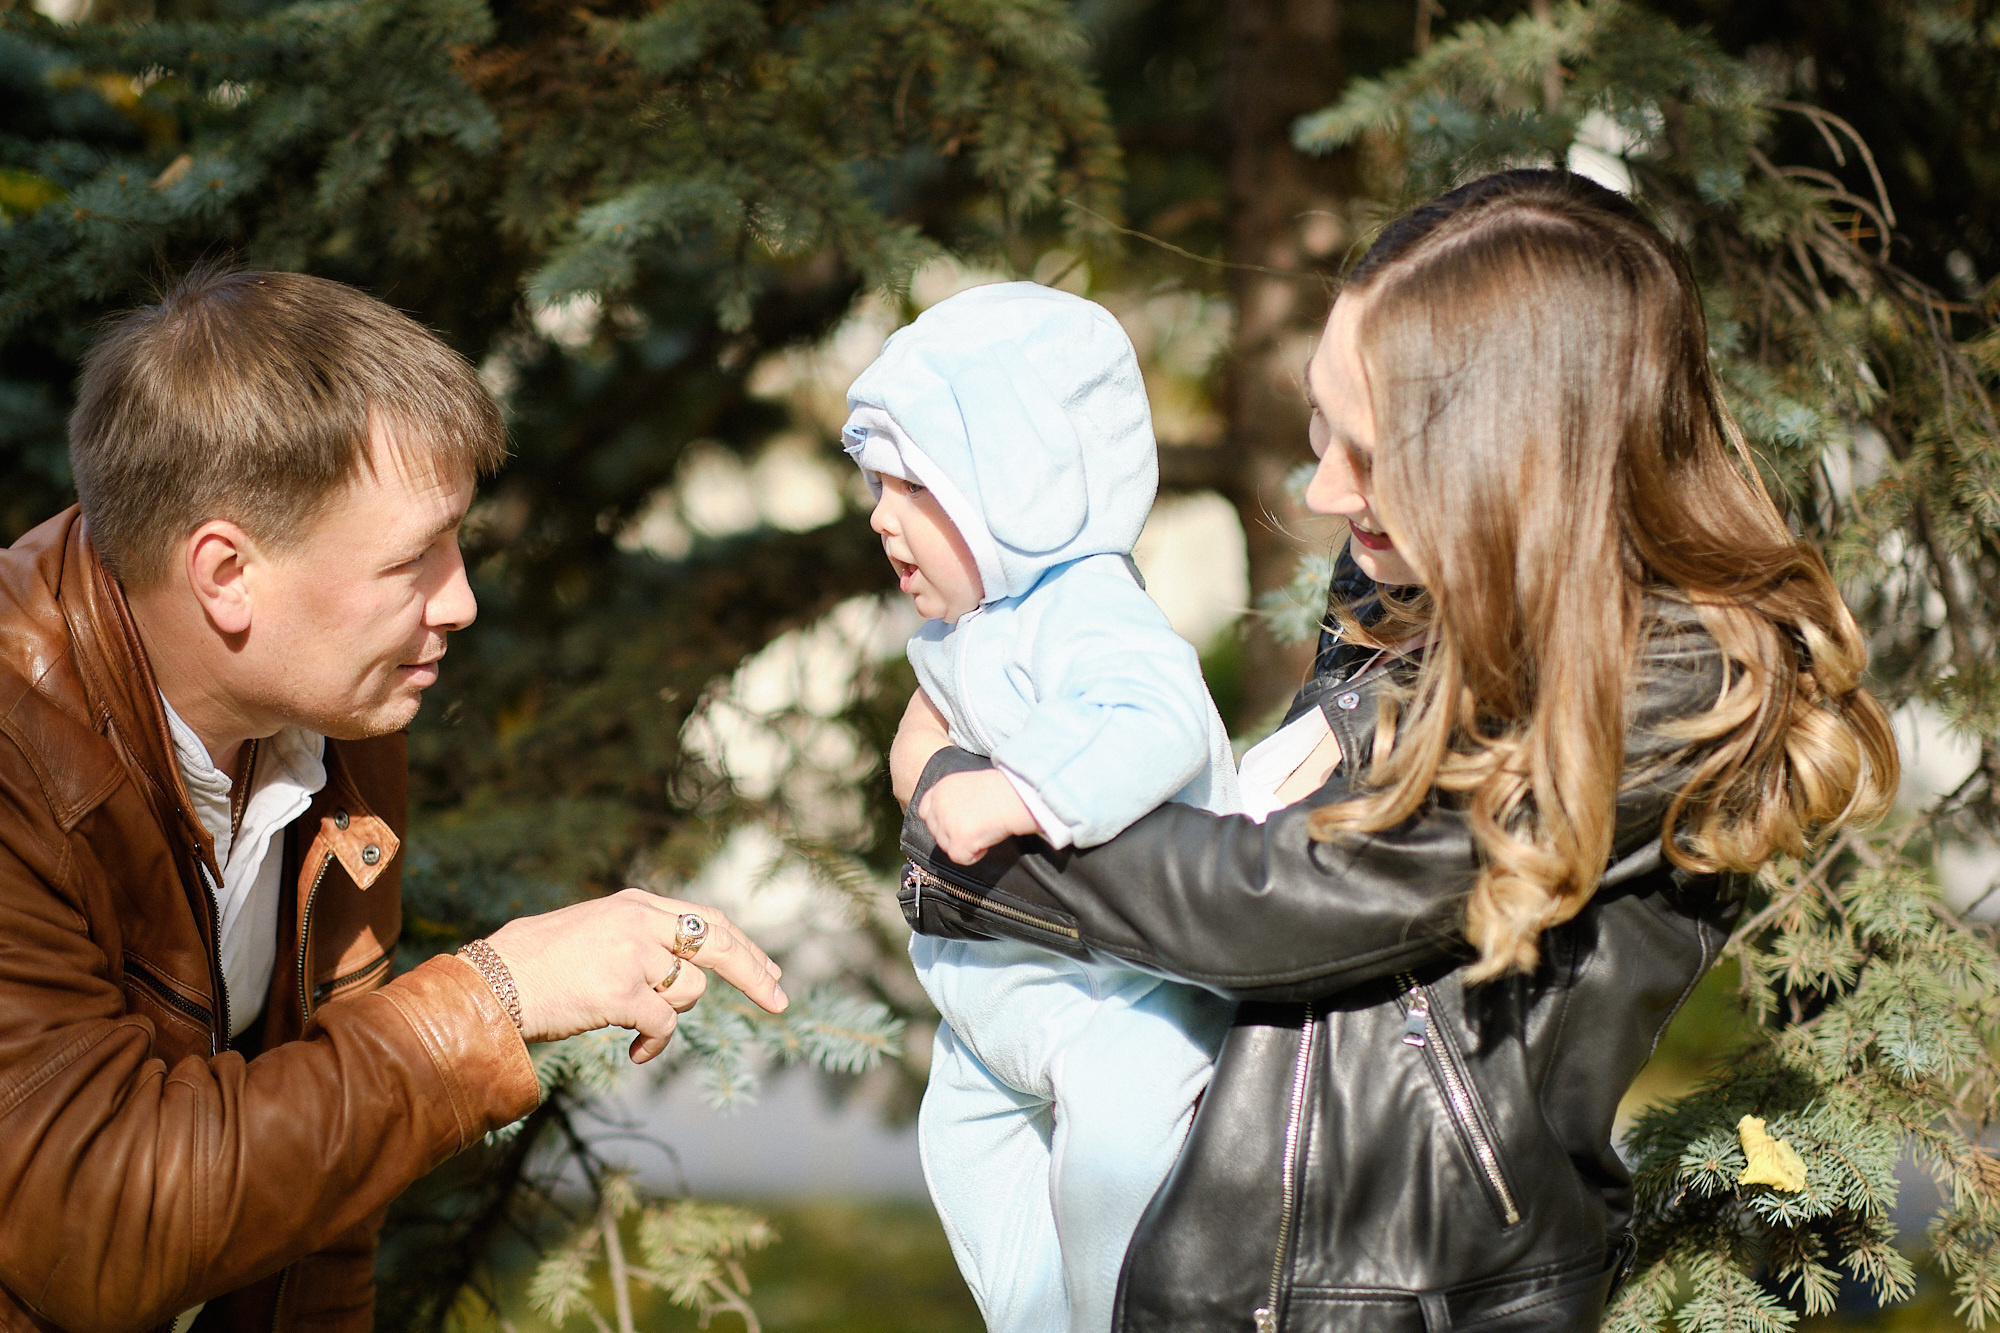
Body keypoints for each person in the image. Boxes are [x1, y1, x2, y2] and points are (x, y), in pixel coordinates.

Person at [889, 170, 1899, 1332]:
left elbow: (1290, 903)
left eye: (1367, 451)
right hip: (1236, 1270)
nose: (1323, 489)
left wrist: (963, 814)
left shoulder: (1661, 681)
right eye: (1322, 425)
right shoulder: (1417, 577)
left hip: (1398, 1300)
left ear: (1510, 462)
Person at [0, 267, 787, 1333]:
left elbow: (321, 1201)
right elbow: (94, 1225)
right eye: (413, 560)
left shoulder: (329, 718)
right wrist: (492, 998)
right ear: (226, 574)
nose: (459, 600)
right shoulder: (15, 752)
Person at [845, 281, 1240, 1333]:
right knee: (968, 1160)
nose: (879, 514)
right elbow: (924, 730)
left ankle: (1126, 1317)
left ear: (1012, 485)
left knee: (1113, 1163)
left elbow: (1156, 721)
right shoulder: (965, 627)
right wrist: (923, 746)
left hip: (1122, 998)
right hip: (997, 1008)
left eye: (910, 486)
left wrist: (1021, 790)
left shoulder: (1088, 610)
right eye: (873, 485)